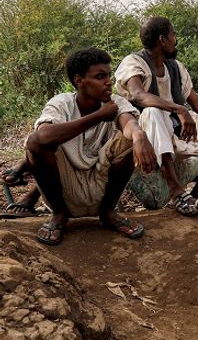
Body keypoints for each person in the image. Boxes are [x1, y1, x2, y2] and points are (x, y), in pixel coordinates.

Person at [115, 16, 198, 216]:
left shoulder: (176, 67)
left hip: (174, 135)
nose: (176, 39)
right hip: (145, 136)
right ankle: (176, 191)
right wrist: (179, 109)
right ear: (162, 39)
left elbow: (197, 103)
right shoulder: (133, 62)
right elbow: (138, 95)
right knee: (153, 111)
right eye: (173, 35)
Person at [25, 48, 156, 245]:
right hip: (65, 190)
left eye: (108, 75)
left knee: (131, 139)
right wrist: (98, 116)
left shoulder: (115, 102)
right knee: (35, 142)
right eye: (100, 76)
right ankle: (59, 216)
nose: (108, 82)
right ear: (79, 81)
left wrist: (139, 135)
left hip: (100, 187)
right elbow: (41, 137)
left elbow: (128, 122)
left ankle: (108, 212)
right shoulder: (62, 103)